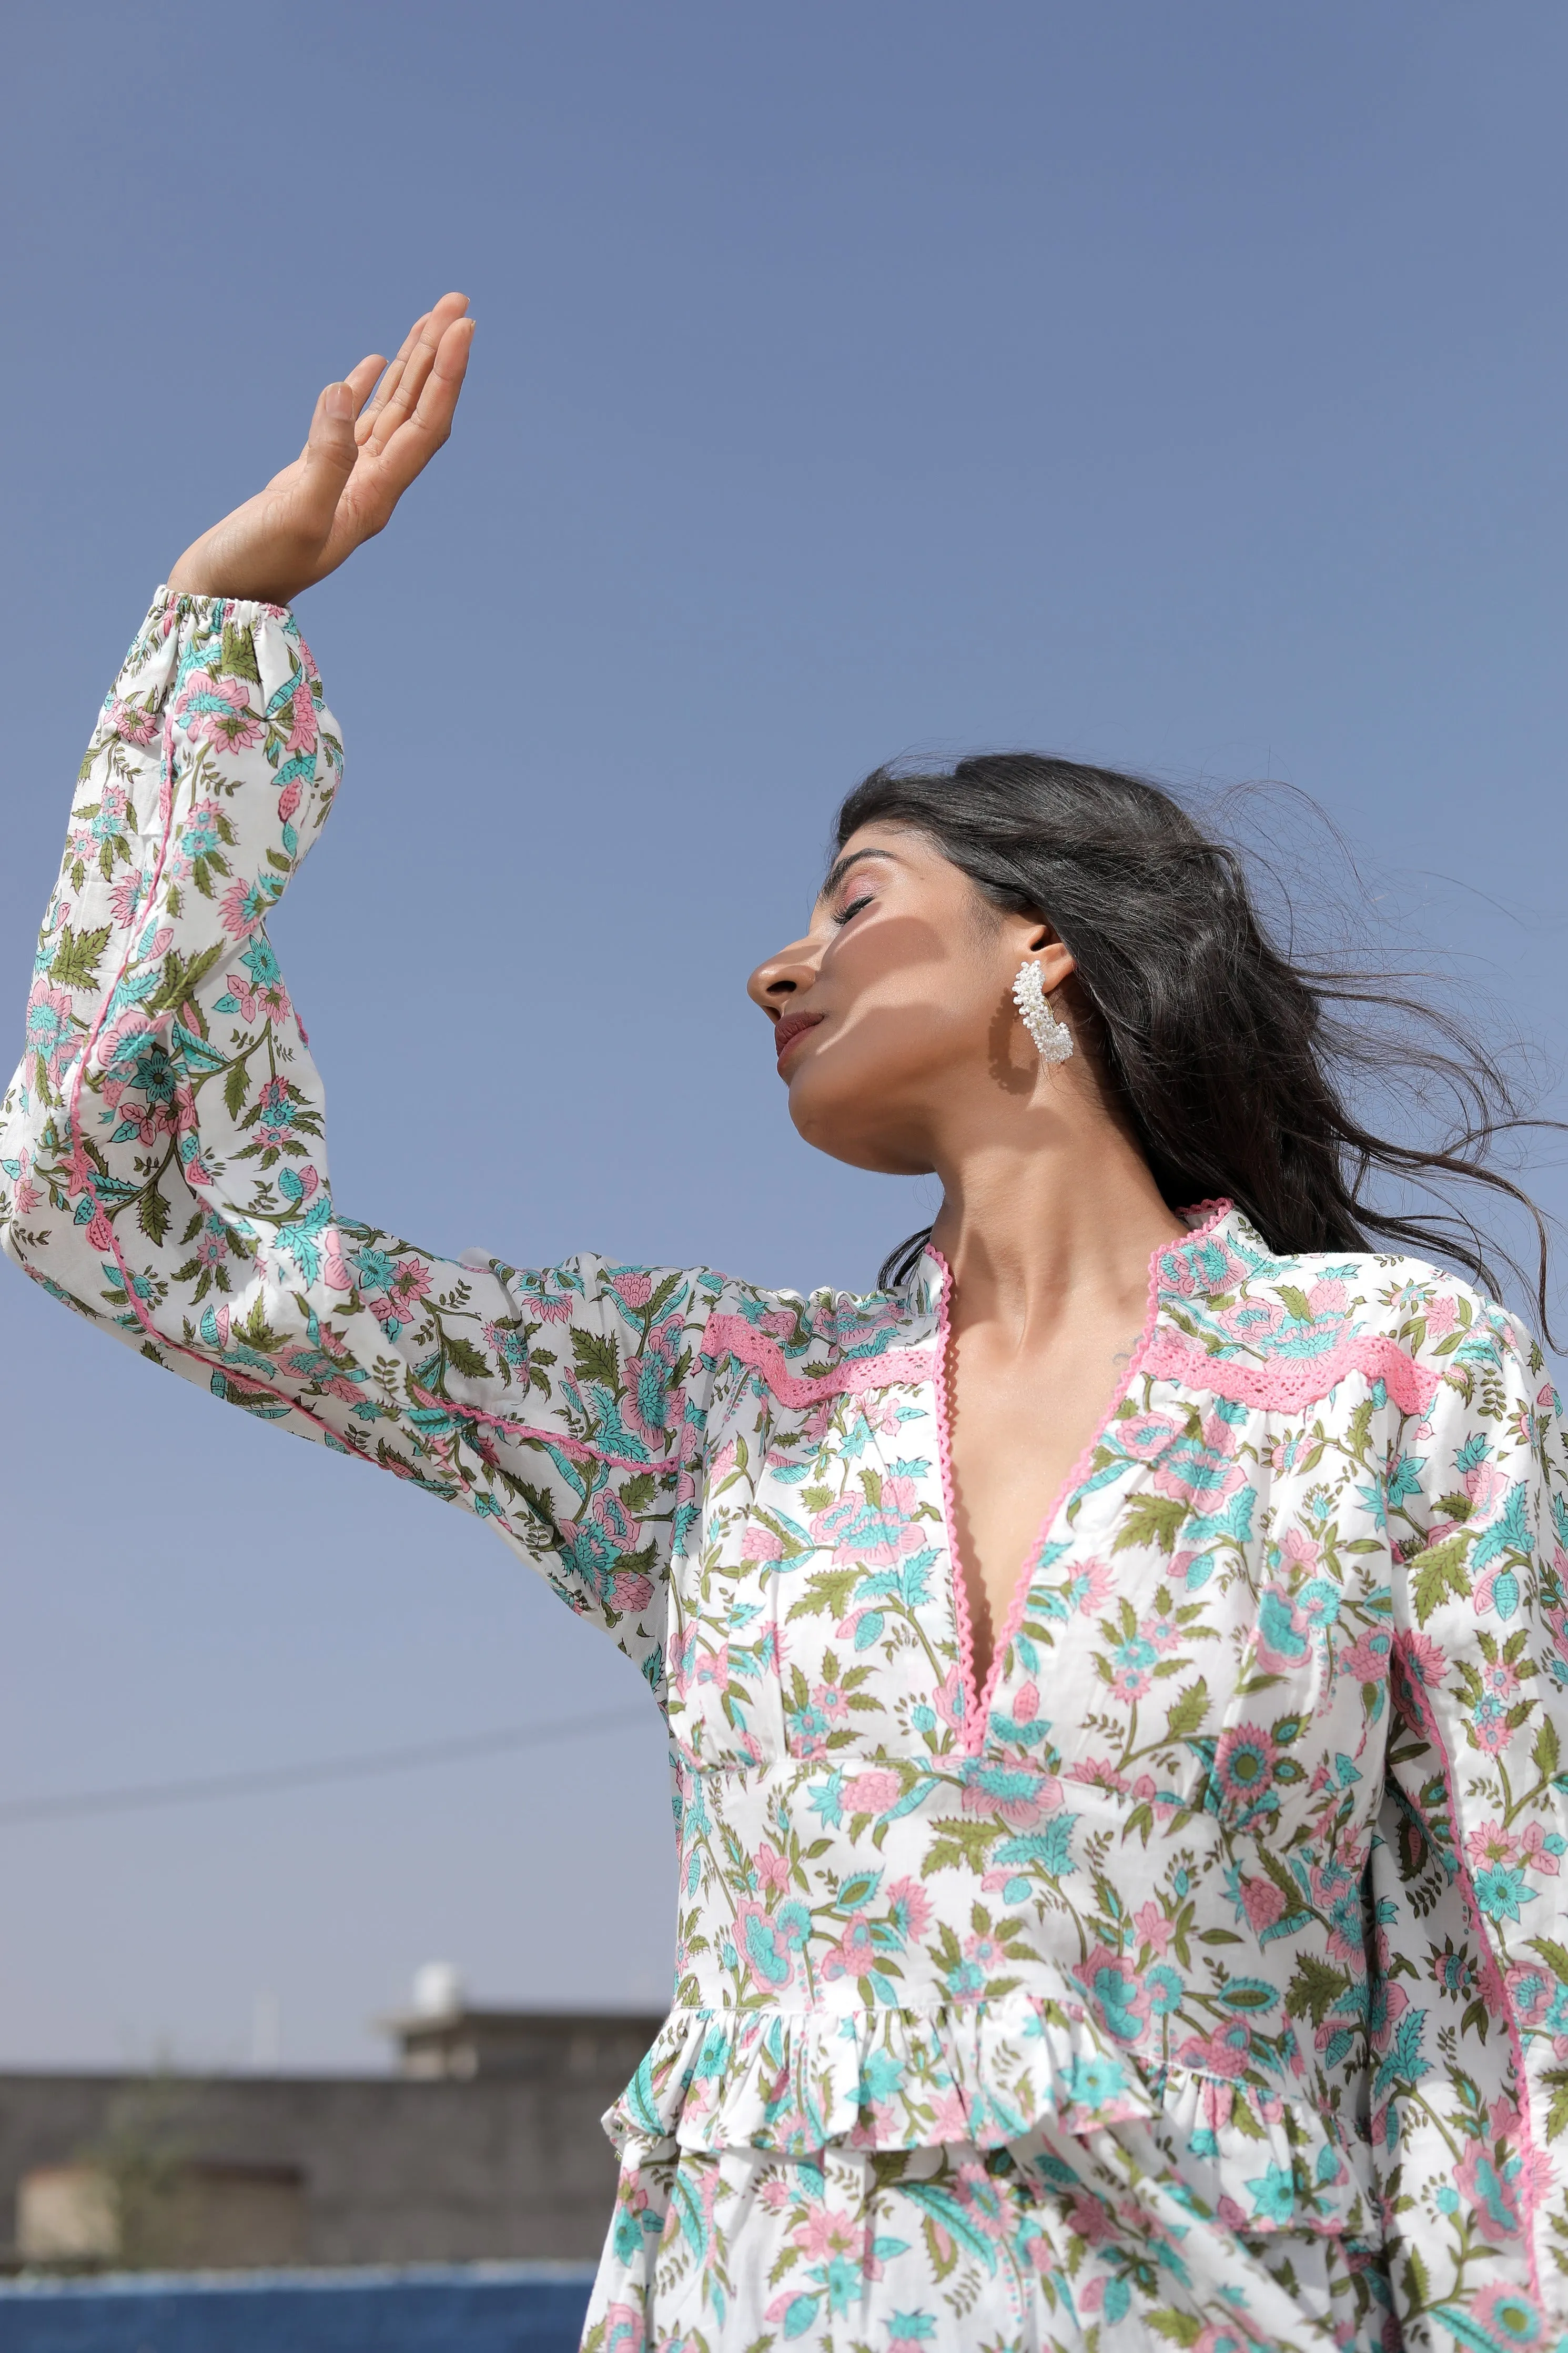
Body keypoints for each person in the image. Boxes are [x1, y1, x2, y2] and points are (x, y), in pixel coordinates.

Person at [2, 292, 1565, 2353]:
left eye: (849, 898)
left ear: (1051, 945)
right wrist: (218, 626)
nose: (774, 961)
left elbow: (1508, 2031)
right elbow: (119, 1212)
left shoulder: (1390, 1383)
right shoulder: (705, 1409)